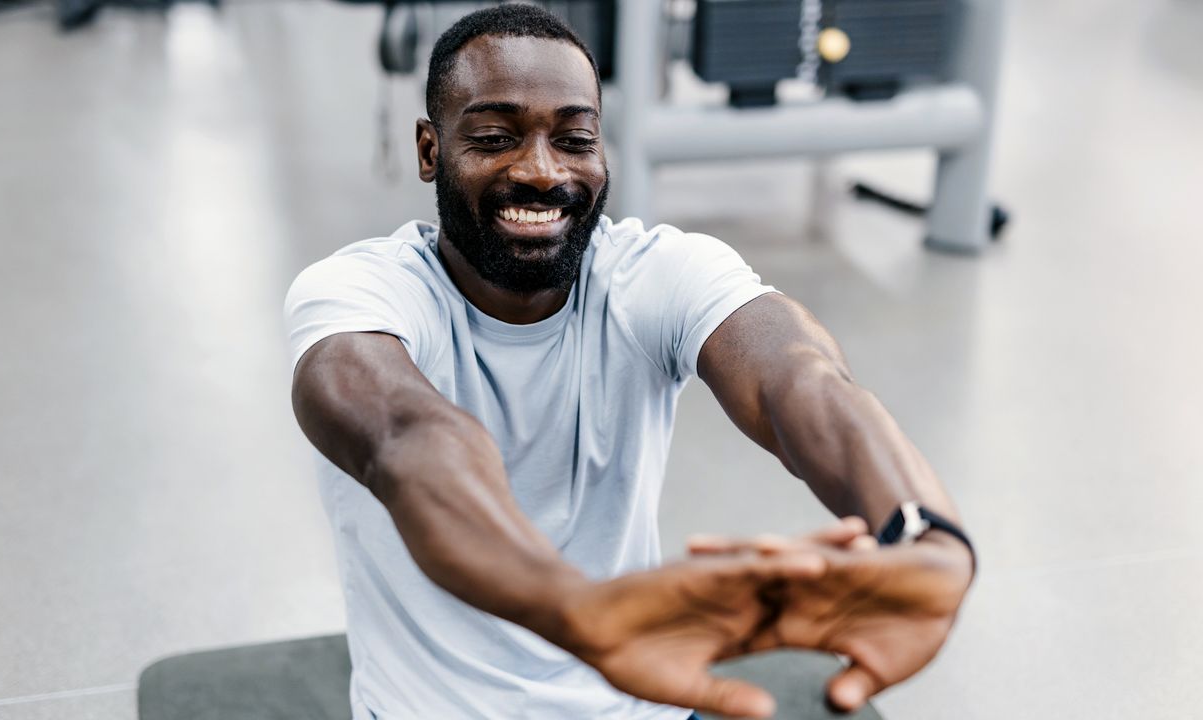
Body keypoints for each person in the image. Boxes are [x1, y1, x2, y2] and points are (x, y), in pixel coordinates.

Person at [284, 5, 974, 719]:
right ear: (430, 150)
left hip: (645, 698)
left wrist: (925, 534)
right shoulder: (357, 294)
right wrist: (577, 610)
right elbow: (413, 441)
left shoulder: (658, 272)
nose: (542, 172)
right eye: (495, 138)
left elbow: (800, 380)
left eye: (575, 138)